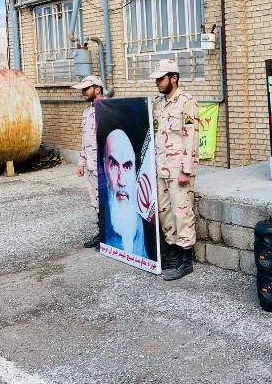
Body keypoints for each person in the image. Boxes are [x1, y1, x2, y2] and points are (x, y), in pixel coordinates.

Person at [149, 59, 200, 281]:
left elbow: (191, 138)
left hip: (179, 169)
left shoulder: (187, 102)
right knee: (164, 212)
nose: (157, 83)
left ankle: (186, 260)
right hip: (160, 167)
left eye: (161, 79)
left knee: (182, 213)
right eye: (156, 79)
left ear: (174, 78)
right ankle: (172, 254)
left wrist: (186, 170)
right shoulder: (157, 103)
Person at [96, 100, 157, 261]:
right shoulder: (105, 223)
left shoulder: (151, 229)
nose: (121, 181)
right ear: (104, 166)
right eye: (114, 165)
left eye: (128, 166)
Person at [71, 75, 105, 248]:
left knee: (106, 201)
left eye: (86, 89)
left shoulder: (109, 109)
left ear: (97, 89)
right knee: (95, 200)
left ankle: (109, 236)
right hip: (91, 165)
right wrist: (81, 163)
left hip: (105, 167)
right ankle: (101, 234)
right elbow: (85, 140)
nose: (83, 92)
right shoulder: (86, 112)